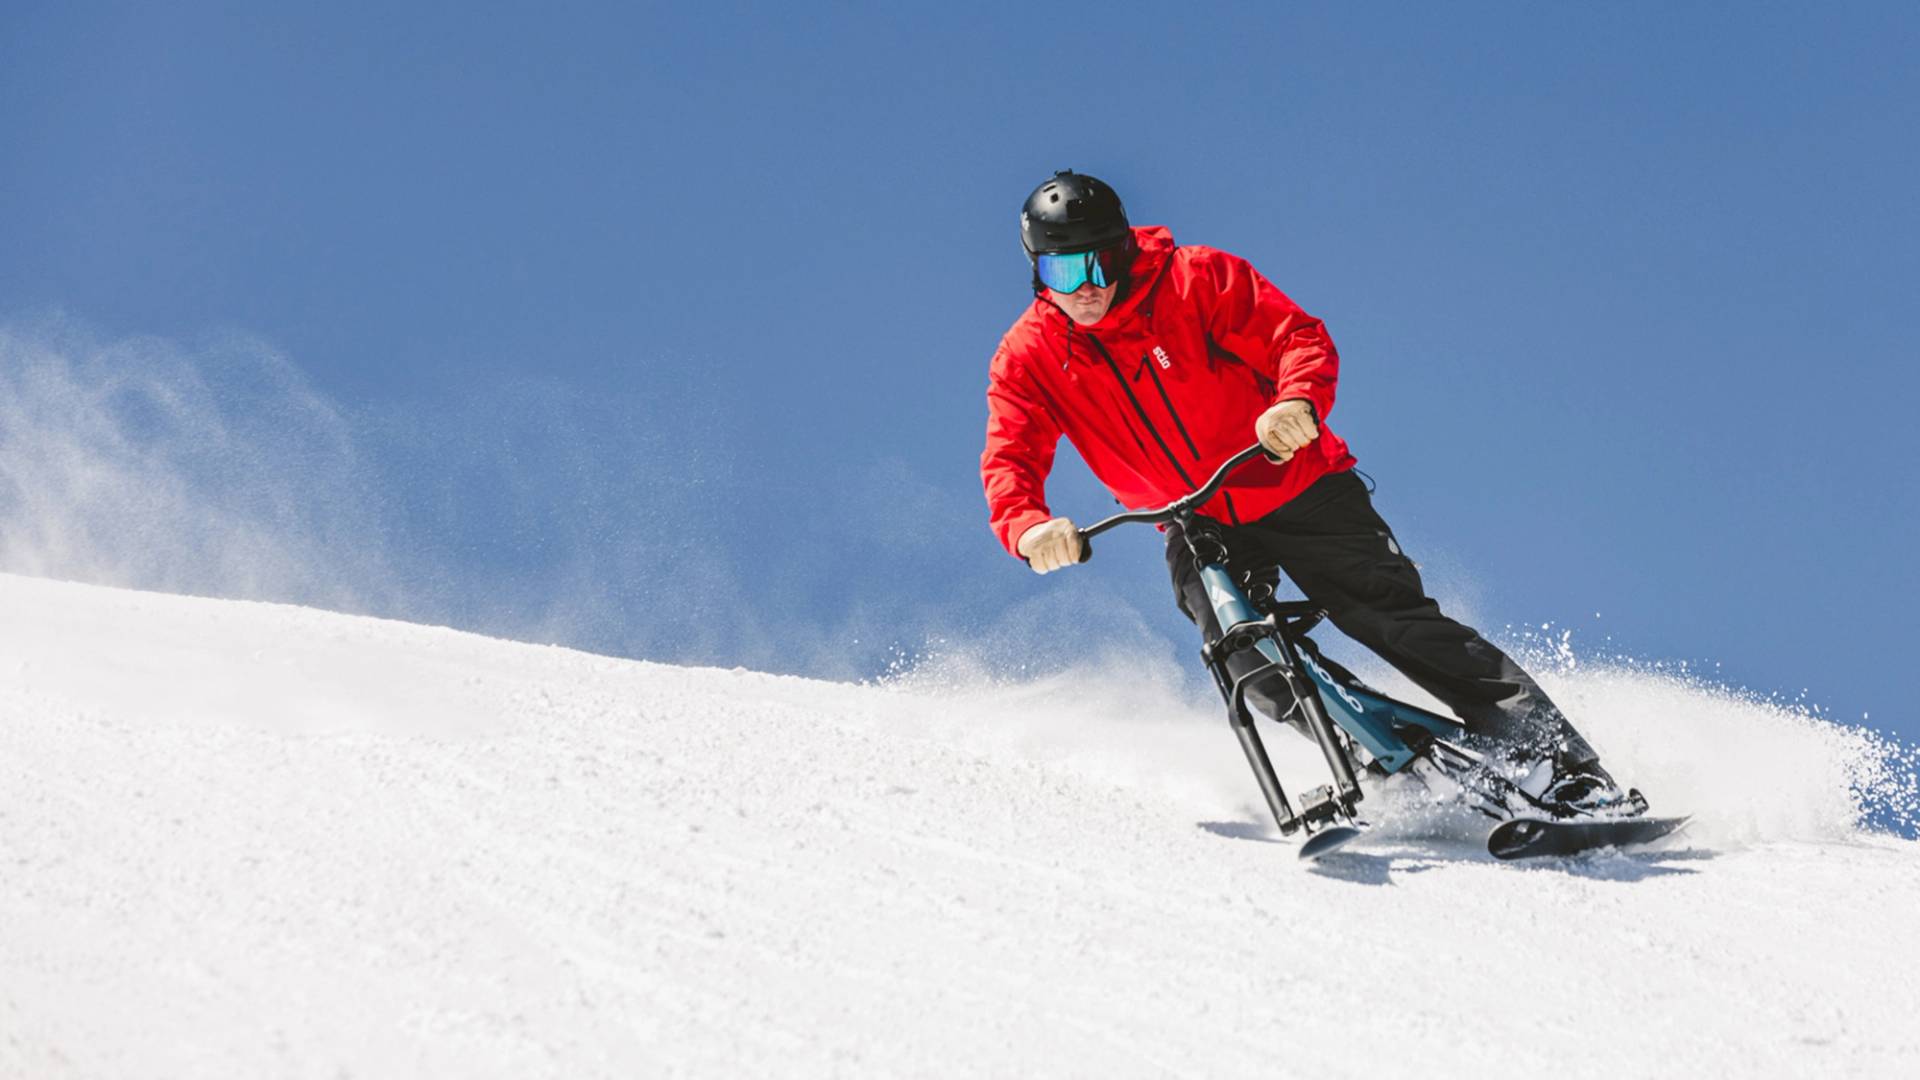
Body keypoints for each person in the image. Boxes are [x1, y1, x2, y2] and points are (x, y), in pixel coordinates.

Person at [980, 169, 1627, 814]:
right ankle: (1392, 765)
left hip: (1297, 479)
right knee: (1244, 658)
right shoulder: (1031, 354)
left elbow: (1297, 339)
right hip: (1198, 520)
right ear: (1039, 272)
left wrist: (1295, 402)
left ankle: (1564, 764)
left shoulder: (1196, 280)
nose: (1087, 288)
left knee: (1388, 618)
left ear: (1124, 250)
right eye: (1066, 273)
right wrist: (1029, 526)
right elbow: (1010, 455)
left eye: (1100, 264)